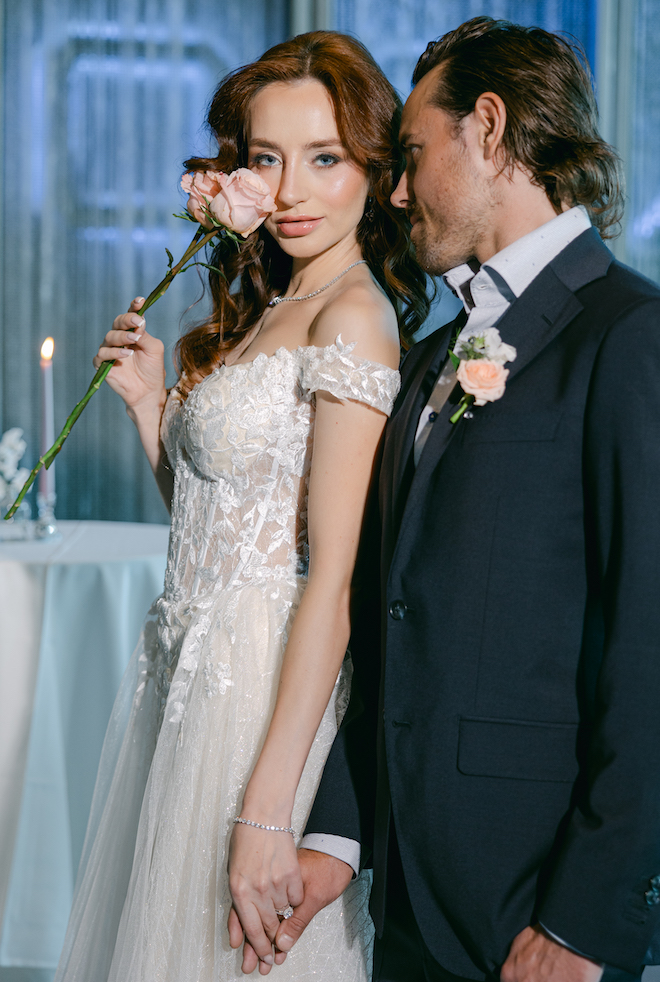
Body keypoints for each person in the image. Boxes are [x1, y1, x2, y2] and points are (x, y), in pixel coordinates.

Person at [269, 16, 660, 982]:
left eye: (410, 154)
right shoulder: (438, 353)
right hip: (404, 893)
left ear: (488, 129)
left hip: (533, 907)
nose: (396, 191)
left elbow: (653, 650)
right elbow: (393, 616)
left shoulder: (630, 337)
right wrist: (340, 837)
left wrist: (582, 923)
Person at [54, 31, 429, 982]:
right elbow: (213, 525)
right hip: (183, 671)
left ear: (374, 171)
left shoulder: (354, 315)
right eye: (268, 158)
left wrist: (269, 809)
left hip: (259, 693)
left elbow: (334, 580)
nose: (293, 190)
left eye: (326, 159)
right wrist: (150, 415)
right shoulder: (273, 303)